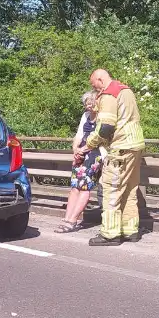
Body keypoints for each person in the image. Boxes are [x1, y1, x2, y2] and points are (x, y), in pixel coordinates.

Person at [83, 68, 145, 246]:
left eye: (95, 86)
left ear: (100, 80)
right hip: (135, 144)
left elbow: (106, 127)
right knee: (129, 189)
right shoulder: (126, 90)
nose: (96, 91)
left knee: (111, 189)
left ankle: (110, 234)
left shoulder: (110, 95)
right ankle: (130, 230)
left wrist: (89, 144)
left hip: (121, 147)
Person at [56, 91, 101, 233]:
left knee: (85, 187)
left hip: (95, 154)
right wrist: (76, 150)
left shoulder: (102, 118)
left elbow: (100, 139)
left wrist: (84, 149)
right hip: (81, 152)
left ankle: (73, 220)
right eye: (86, 103)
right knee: (75, 186)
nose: (88, 105)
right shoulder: (86, 116)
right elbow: (79, 135)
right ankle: (67, 218)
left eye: (91, 102)